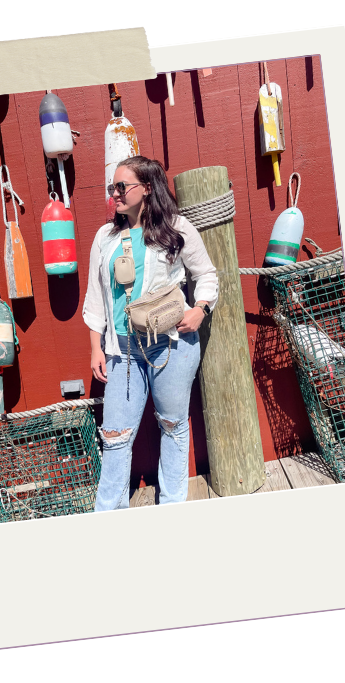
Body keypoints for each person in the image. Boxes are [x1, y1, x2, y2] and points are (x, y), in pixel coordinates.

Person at [83, 156, 219, 511]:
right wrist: (96, 348)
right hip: (122, 352)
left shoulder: (176, 228)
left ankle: (173, 506)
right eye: (112, 187)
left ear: (146, 188)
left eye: (122, 186)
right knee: (115, 436)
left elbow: (206, 275)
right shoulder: (105, 237)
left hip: (169, 347)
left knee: (173, 427)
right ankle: (108, 512)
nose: (115, 193)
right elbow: (96, 297)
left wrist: (199, 309)